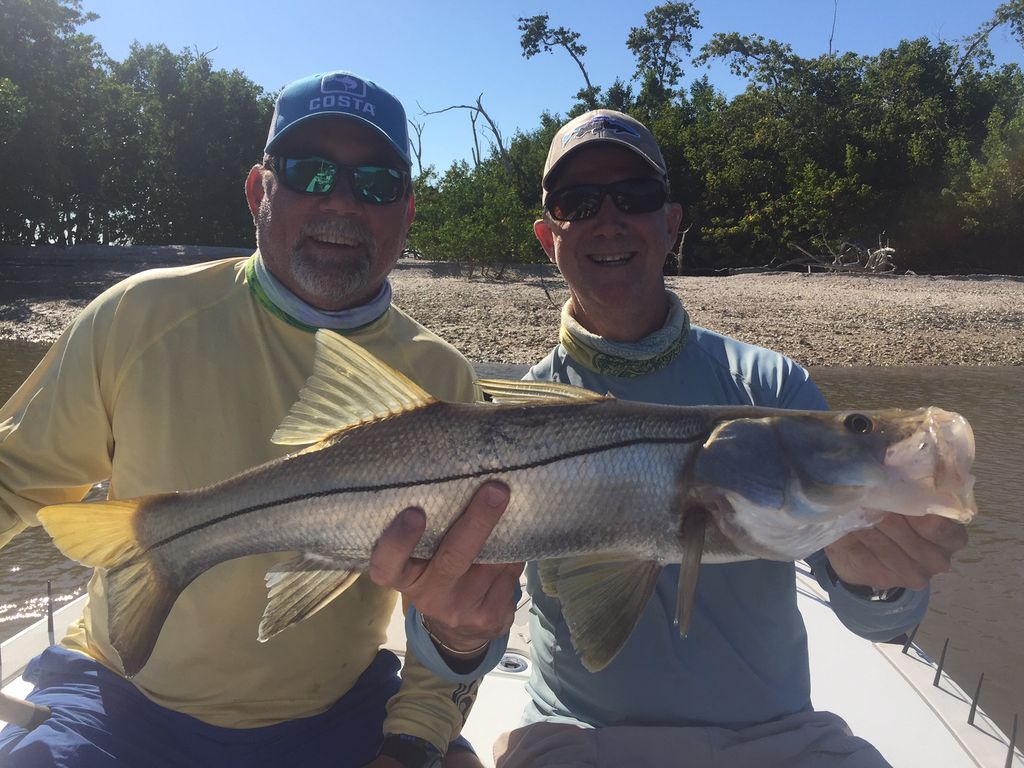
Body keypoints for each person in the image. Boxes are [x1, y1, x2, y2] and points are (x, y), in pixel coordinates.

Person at [0, 70, 521, 768]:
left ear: (407, 210)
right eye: (308, 173)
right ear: (258, 191)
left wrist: (412, 743)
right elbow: (16, 477)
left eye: (375, 183)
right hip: (120, 699)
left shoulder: (441, 377)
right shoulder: (137, 316)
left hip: (340, 709)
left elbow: (452, 611)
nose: (341, 201)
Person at [484, 110, 969, 767]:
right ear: (548, 237)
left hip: (782, 741)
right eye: (578, 202)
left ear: (671, 222)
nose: (608, 219)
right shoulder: (503, 422)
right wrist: (453, 633)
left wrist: (881, 582)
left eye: (636, 196)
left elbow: (880, 624)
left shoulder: (772, 385)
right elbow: (468, 643)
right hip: (578, 737)